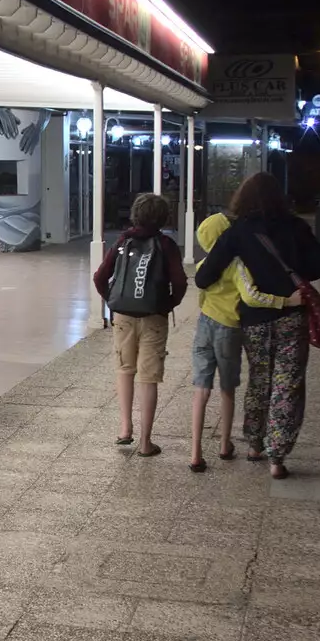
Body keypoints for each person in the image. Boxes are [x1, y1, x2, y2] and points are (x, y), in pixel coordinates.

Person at [195, 173, 320, 479]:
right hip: (292, 319)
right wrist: (294, 274)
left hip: (254, 322)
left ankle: (255, 444)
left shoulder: (238, 231)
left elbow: (203, 278)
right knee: (288, 384)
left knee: (260, 379)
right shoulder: (296, 227)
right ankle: (277, 458)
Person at [188, 212, 294, 473]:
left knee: (201, 390)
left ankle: (195, 453)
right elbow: (250, 296)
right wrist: (284, 301)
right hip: (228, 329)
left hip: (204, 326)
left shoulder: (204, 265)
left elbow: (202, 294)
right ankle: (225, 445)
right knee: (227, 388)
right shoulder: (236, 265)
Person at [93, 193, 187, 455]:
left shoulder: (123, 241)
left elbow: (100, 276)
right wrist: (167, 305)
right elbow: (180, 283)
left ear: (135, 214)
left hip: (123, 316)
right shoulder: (166, 244)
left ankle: (125, 428)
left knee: (124, 369)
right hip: (154, 317)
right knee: (149, 378)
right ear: (163, 217)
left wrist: (113, 300)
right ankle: (146, 442)